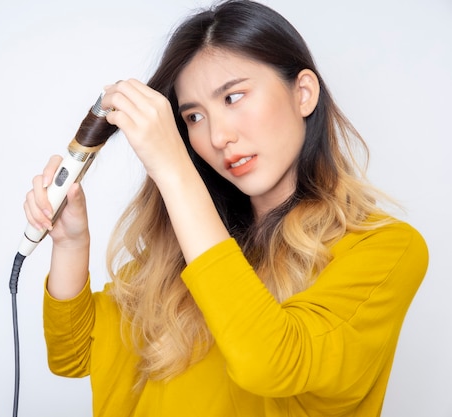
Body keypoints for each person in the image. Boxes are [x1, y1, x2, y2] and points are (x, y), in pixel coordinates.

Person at [23, 1, 428, 416]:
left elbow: (270, 362)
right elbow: (73, 356)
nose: (217, 136)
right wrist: (72, 244)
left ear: (303, 93)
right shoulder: (185, 254)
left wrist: (176, 172)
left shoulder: (385, 250)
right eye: (194, 117)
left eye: (233, 97)